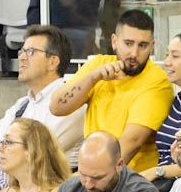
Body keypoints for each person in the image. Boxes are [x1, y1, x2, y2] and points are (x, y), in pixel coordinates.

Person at [48, 9, 174, 174]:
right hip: (91, 170)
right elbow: (56, 107)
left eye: (142, 45)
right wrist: (93, 78)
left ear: (152, 46)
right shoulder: (99, 65)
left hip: (129, 178)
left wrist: (89, 178)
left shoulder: (158, 81)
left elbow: (131, 142)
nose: (134, 53)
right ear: (114, 41)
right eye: (128, 43)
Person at [0, 26, 85, 166]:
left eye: (31, 52)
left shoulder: (71, 103)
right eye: (21, 52)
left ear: (53, 62)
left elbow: (39, 153)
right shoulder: (21, 105)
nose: (22, 58)